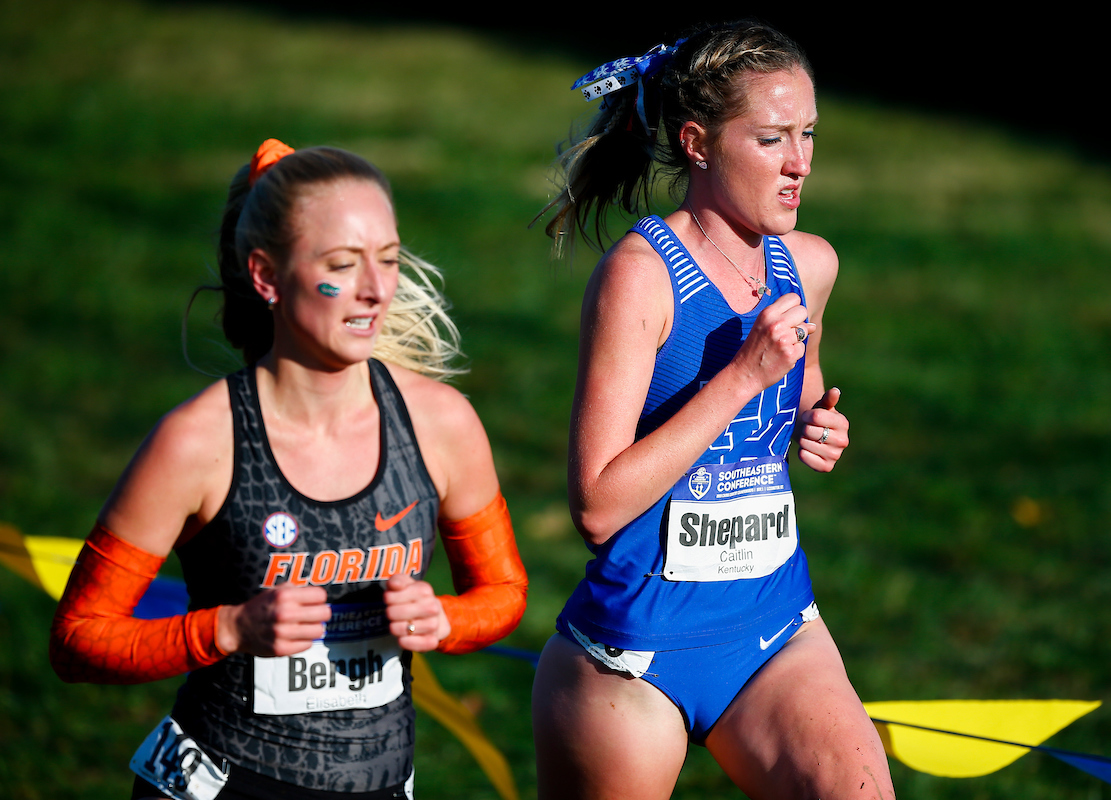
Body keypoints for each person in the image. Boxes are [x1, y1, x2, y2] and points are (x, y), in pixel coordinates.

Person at [49, 140, 528, 800]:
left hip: (383, 784)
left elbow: (504, 594)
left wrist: (444, 619)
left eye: (387, 261)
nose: (375, 290)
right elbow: (78, 640)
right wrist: (227, 629)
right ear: (266, 277)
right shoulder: (198, 442)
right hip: (222, 781)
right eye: (342, 264)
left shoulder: (440, 424)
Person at [530, 21, 895, 800]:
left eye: (808, 135)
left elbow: (797, 394)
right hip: (635, 652)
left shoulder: (810, 265)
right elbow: (595, 505)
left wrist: (813, 429)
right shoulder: (642, 277)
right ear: (697, 143)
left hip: (773, 628)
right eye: (771, 140)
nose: (800, 164)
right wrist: (738, 379)